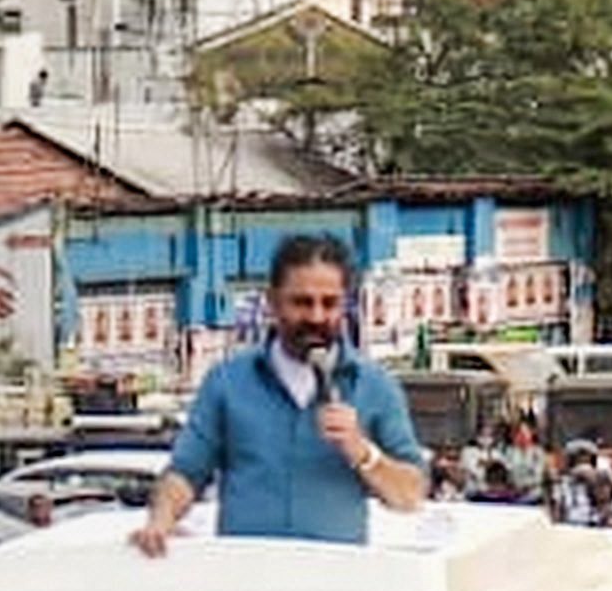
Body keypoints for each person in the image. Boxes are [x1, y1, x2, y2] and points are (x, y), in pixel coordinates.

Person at [139, 237, 431, 553]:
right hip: (248, 574)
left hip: (336, 577)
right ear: (273, 301)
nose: (316, 317)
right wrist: (161, 519)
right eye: (302, 302)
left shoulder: (374, 386)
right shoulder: (227, 383)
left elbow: (410, 495)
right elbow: (185, 472)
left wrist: (363, 452)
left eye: (329, 303)